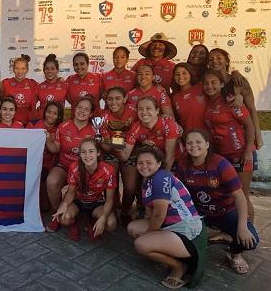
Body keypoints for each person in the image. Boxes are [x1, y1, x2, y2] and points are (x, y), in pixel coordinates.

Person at [176, 129, 259, 274]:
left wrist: (242, 227)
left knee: (251, 240)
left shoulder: (220, 164)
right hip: (200, 213)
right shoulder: (183, 166)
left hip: (226, 211)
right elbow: (179, 194)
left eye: (198, 142)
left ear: (207, 144)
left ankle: (234, 253)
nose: (193, 146)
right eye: (189, 143)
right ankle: (208, 237)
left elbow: (239, 196)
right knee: (180, 238)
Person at [127, 147, 206, 289]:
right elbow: (151, 212)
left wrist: (149, 235)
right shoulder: (148, 180)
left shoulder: (161, 177)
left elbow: (159, 214)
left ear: (158, 164)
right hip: (170, 225)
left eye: (149, 162)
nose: (144, 166)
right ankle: (167, 254)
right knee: (133, 228)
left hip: (186, 230)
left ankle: (179, 266)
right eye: (140, 163)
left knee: (141, 244)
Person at [203, 70, 256, 222]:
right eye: (206, 83)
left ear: (221, 84)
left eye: (214, 83)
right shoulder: (209, 103)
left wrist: (247, 152)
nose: (209, 86)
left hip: (240, 154)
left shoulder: (231, 100)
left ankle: (249, 231)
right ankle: (231, 230)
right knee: (228, 195)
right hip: (223, 156)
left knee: (242, 194)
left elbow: (249, 126)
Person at [51, 138, 117, 242]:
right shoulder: (74, 167)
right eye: (83, 152)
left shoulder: (108, 170)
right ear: (80, 154)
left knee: (111, 224)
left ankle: (91, 220)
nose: (87, 155)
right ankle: (75, 223)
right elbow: (71, 193)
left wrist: (103, 218)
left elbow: (109, 200)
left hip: (97, 202)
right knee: (64, 219)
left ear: (98, 153)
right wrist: (63, 205)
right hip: (78, 201)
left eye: (91, 151)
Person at [45, 95, 95, 231]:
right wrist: (48, 141)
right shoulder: (63, 126)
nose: (82, 111)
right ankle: (56, 214)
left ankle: (87, 217)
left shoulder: (94, 130)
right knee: (52, 181)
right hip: (64, 166)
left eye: (86, 109)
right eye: (79, 107)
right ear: (74, 109)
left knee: (89, 185)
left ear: (91, 113)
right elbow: (55, 149)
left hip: (84, 169)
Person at [207, 48, 263, 150]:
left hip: (241, 139)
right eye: (211, 59)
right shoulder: (207, 84)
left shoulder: (239, 82)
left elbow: (251, 109)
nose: (214, 61)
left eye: (219, 58)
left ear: (227, 61)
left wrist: (258, 135)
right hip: (220, 142)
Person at [100, 86, 138, 223]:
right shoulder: (104, 117)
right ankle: (113, 208)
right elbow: (104, 144)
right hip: (111, 151)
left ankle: (125, 210)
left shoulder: (134, 112)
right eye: (110, 99)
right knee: (111, 180)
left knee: (130, 187)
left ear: (125, 98)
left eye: (117, 98)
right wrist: (112, 145)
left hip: (131, 151)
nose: (113, 102)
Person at [119, 96, 183, 171]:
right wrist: (115, 147)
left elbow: (170, 156)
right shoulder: (135, 127)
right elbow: (125, 156)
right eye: (141, 109)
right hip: (155, 162)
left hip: (177, 162)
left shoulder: (168, 124)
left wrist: (163, 177)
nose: (144, 112)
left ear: (157, 111)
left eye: (148, 108)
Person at [27, 101, 64, 212]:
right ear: (44, 112)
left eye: (55, 113)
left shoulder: (59, 129)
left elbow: (55, 150)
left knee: (44, 208)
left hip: (50, 166)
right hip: (34, 164)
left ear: (59, 116)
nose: (51, 115)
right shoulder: (34, 125)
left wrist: (47, 140)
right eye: (48, 112)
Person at [171, 62, 207, 133]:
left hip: (206, 136)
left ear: (190, 73)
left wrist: (235, 74)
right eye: (177, 74)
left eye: (184, 73)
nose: (180, 76)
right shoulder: (174, 97)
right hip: (188, 138)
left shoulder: (201, 87)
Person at [1, 55, 38, 125]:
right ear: (13, 69)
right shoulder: (6, 83)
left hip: (29, 124)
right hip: (10, 124)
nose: (19, 71)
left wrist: (58, 79)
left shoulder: (34, 84)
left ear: (27, 70)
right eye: (17, 68)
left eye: (23, 68)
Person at [66, 52, 102, 117]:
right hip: (76, 121)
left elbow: (101, 95)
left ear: (87, 64)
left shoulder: (98, 78)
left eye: (82, 64)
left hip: (95, 120)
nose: (79, 67)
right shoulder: (69, 80)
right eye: (76, 64)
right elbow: (70, 100)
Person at [36, 54, 67, 120]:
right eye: (47, 68)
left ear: (57, 70)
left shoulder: (64, 86)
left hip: (58, 123)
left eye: (52, 68)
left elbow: (74, 102)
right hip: (42, 123)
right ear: (44, 70)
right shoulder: (39, 87)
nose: (49, 71)